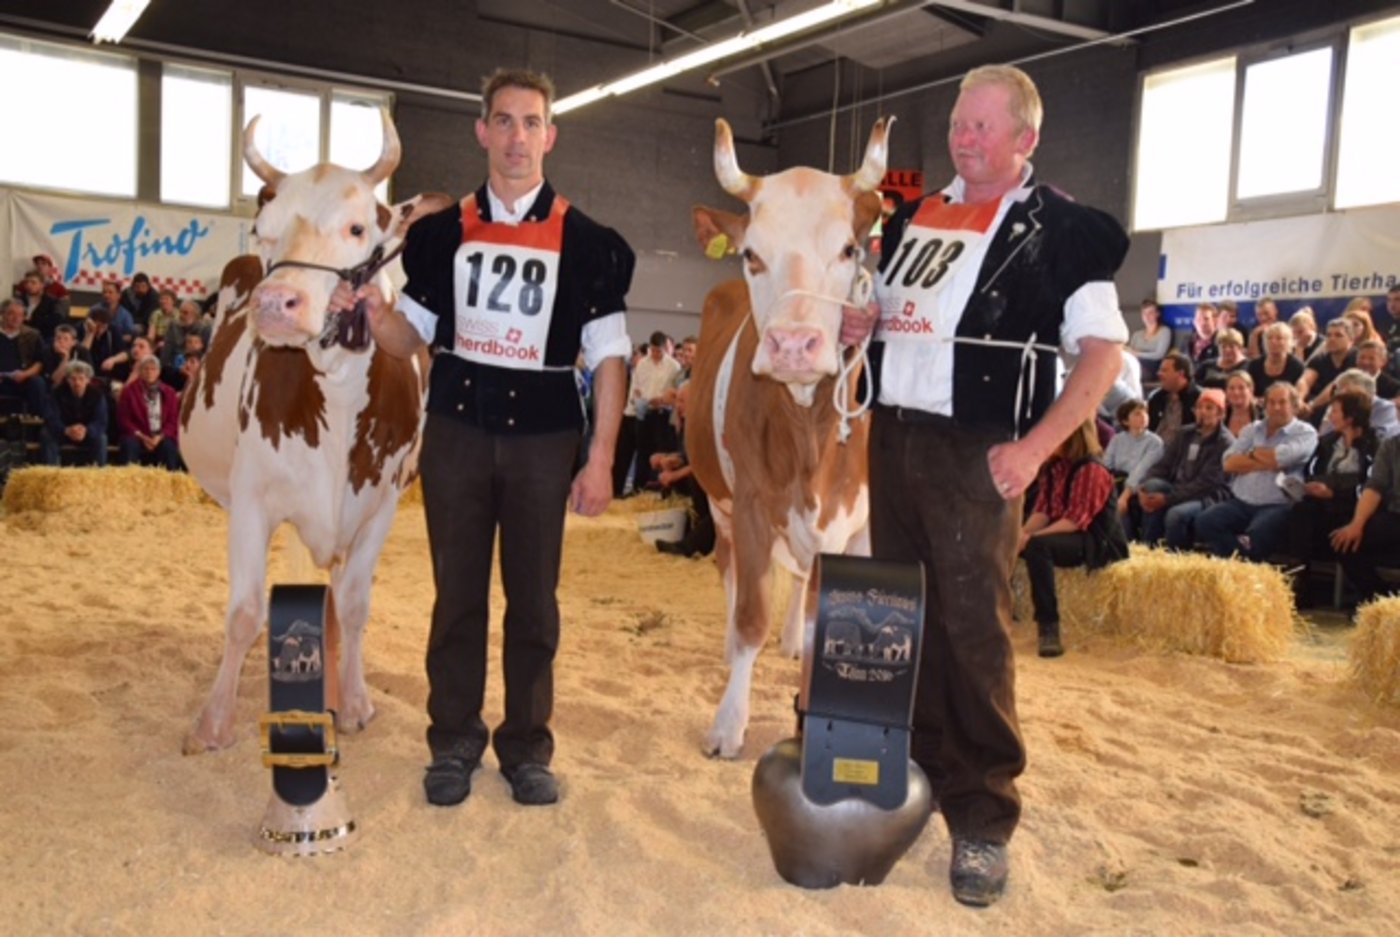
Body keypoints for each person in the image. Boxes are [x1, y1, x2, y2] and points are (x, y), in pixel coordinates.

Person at [841, 64, 1128, 908]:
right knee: (898, 613)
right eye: (959, 124)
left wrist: (1037, 449)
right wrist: (865, 321)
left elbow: (1102, 356)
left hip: (980, 451)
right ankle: (917, 772)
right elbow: (895, 317)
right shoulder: (921, 214)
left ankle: (983, 816)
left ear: (1024, 140)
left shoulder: (1064, 228)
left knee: (973, 632)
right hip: (894, 438)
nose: (963, 139)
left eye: (981, 128)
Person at [330, 68, 633, 810]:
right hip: (458, 435)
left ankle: (527, 745)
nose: (517, 137)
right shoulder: (439, 235)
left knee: (534, 602)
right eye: (504, 121)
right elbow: (411, 337)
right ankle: (454, 738)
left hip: (542, 441)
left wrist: (599, 458)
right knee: (456, 596)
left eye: (531, 123)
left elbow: (612, 358)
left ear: (550, 136)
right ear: (483, 132)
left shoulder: (590, 243)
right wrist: (376, 312)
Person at [1020, 420, 1124, 659]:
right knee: (1011, 541)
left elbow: (1075, 521)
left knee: (1037, 546)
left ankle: (1049, 627)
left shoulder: (1092, 469)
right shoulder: (1054, 468)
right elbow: (1042, 511)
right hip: (1066, 532)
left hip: (1096, 541)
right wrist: (1019, 536)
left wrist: (1030, 538)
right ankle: (1004, 608)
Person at [1195, 382, 1317, 561]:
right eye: (1271, 402)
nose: (1276, 407)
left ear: (1294, 405)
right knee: (1205, 521)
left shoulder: (1305, 433)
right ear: (1265, 405)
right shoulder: (1252, 429)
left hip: (1278, 504)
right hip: (1241, 502)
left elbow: (1281, 458)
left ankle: (1240, 568)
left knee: (1257, 534)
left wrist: (1250, 456)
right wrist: (1266, 460)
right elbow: (1229, 463)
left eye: (1282, 402)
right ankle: (1240, 564)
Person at [1287, 389, 1376, 603]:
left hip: (1352, 508)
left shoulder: (1373, 445)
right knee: (1301, 512)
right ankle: (1300, 582)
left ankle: (1372, 597)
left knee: (1345, 533)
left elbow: (1369, 482)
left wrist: (1334, 492)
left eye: (1335, 411)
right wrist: (1313, 486)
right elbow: (1312, 471)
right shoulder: (1327, 442)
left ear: (1350, 417)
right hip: (1321, 504)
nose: (1330, 416)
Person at [1128, 389, 1234, 548]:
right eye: (1199, 408)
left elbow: (1206, 484)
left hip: (1207, 496)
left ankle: (1176, 558)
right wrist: (1143, 486)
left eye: (1209, 408)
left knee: (1175, 514)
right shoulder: (1185, 433)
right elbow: (1163, 464)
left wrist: (1167, 499)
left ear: (1221, 414)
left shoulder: (1225, 442)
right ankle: (1149, 549)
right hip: (1178, 487)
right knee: (1151, 488)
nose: (1202, 412)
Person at [1331, 432, 1400, 606]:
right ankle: (1380, 601)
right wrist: (1357, 524)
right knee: (1344, 542)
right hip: (1395, 515)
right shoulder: (1391, 444)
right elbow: (1374, 487)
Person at [627, 330, 681, 491]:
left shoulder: (673, 366)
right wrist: (637, 399)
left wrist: (663, 401)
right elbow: (635, 387)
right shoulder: (643, 363)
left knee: (659, 453)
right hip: (644, 413)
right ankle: (638, 488)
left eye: (660, 350)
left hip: (662, 415)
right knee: (642, 452)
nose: (656, 354)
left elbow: (675, 392)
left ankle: (655, 488)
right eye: (654, 350)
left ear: (665, 348)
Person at [115, 355, 182, 470]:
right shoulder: (129, 391)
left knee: (169, 447)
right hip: (137, 435)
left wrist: (159, 437)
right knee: (129, 445)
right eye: (146, 369)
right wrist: (142, 437)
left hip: (161, 436)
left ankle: (170, 482)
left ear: (159, 372)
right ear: (140, 371)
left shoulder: (169, 392)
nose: (149, 372)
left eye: (153, 369)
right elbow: (124, 419)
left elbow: (173, 421)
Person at [40, 360, 107, 467]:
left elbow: (100, 421)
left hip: (86, 433)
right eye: (73, 379)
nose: (77, 383)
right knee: (46, 434)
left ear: (88, 380)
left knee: (101, 438)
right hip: (63, 431)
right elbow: (51, 418)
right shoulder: (57, 393)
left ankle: (98, 475)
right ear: (67, 380)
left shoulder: (97, 395)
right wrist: (66, 430)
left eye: (81, 378)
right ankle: (50, 472)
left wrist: (86, 430)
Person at [1104, 399, 1162, 517]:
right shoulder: (1117, 439)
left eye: (1145, 412)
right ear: (1125, 421)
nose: (1144, 416)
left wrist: (1125, 496)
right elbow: (1106, 464)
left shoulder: (1155, 442)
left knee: (1121, 502)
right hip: (1116, 481)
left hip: (1139, 484)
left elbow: (1141, 470)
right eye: (1137, 413)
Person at [1297, 318, 1357, 426]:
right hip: (1320, 408)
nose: (1332, 339)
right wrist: (1299, 401)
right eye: (1329, 335)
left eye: (1338, 335)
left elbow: (1336, 386)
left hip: (1349, 407)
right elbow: (1305, 380)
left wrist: (1312, 406)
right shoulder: (1321, 359)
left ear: (1351, 340)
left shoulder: (1356, 358)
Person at [0, 297, 47, 417]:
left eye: (20, 315)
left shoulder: (32, 335)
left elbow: (40, 362)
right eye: (11, 314)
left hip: (22, 379)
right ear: (2, 314)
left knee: (38, 383)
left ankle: (36, 425)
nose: (16, 318)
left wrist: (25, 374)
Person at [1146, 350, 1200, 447]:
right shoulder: (1156, 398)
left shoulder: (1199, 399)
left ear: (1180, 374)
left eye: (1164, 370)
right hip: (1153, 449)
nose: (1159, 374)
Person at [1245, 321, 1304, 397]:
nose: (1273, 341)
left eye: (1279, 338)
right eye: (1269, 338)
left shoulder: (1297, 367)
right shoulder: (1254, 365)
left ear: (1289, 342)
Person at [1128, 299, 1171, 379]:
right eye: (1144, 313)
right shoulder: (1136, 335)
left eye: (1150, 313)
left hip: (1152, 367)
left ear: (1157, 314)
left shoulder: (1164, 331)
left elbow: (1159, 355)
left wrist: (1138, 354)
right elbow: (1130, 354)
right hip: (1134, 365)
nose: (1147, 316)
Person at [1222, 371, 1259, 438]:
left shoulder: (1262, 416)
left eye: (1241, 388)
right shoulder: (1221, 415)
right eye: (1231, 388)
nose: (1236, 392)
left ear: (1251, 390)